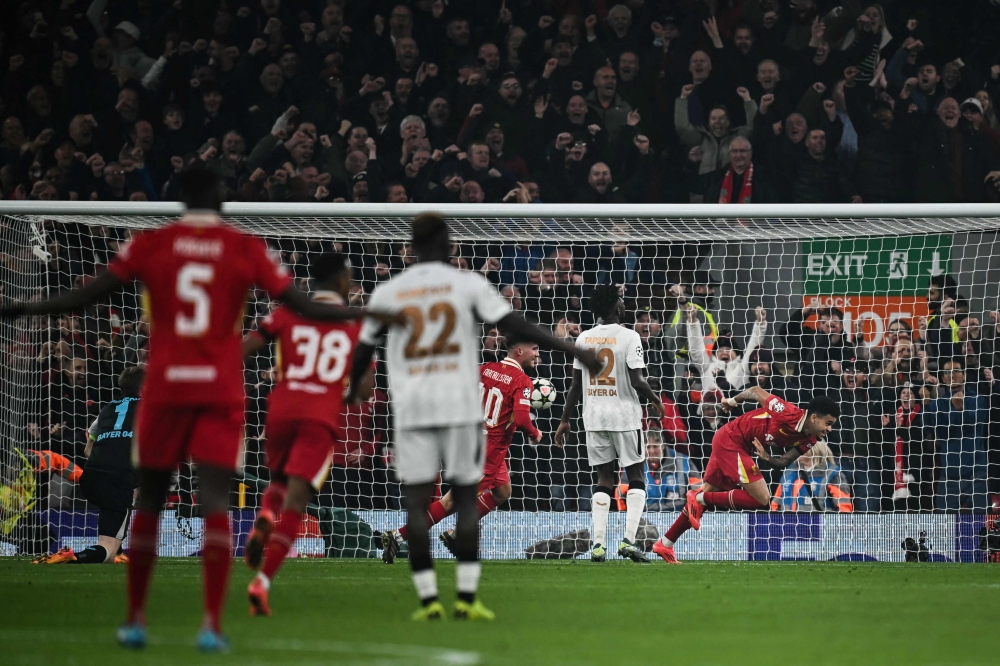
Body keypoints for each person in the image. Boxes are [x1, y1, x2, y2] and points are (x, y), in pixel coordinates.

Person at [0, 167, 375, 652]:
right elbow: (303, 303)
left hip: (165, 387)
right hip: (219, 391)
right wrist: (364, 314)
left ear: (180, 198)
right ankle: (211, 625)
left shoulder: (152, 243)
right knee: (215, 503)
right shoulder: (245, 249)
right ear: (220, 197)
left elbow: (91, 293)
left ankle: (136, 619)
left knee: (151, 500)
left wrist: (27, 309)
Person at [347, 213, 599, 621]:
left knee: (455, 494)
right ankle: (460, 593)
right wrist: (572, 353)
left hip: (413, 404)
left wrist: (351, 388)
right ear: (450, 248)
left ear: (410, 246)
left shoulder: (391, 290)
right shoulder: (467, 285)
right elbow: (515, 325)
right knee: (459, 499)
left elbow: (365, 345)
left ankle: (427, 600)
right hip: (465, 419)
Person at [240, 253, 372, 616]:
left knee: (279, 480)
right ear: (342, 281)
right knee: (297, 501)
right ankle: (262, 582)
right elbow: (363, 391)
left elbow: (246, 349)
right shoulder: (355, 325)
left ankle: (266, 514)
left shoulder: (286, 312)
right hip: (320, 414)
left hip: (281, 407)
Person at [380, 328, 543, 561]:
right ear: (519, 351)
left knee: (502, 491)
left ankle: (455, 535)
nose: (538, 354)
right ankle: (397, 536)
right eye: (534, 349)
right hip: (487, 451)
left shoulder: (485, 369)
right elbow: (521, 418)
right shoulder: (522, 380)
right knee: (451, 502)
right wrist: (535, 433)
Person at [652, 387, 839, 564]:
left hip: (738, 446)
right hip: (731, 440)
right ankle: (698, 497)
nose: (829, 430)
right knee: (762, 498)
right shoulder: (787, 412)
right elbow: (756, 391)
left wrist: (767, 457)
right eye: (828, 423)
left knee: (700, 506)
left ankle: (665, 543)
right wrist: (733, 401)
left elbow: (783, 462)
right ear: (814, 418)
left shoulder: (811, 439)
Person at [554, 284, 665, 563]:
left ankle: (599, 545)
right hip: (625, 416)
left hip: (594, 417)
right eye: (622, 301)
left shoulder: (584, 339)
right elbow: (638, 380)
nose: (625, 305)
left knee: (604, 478)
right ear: (617, 308)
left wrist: (565, 419)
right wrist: (655, 399)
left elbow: (575, 386)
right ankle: (628, 541)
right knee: (636, 476)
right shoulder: (630, 336)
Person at [34, 367, 144, 565]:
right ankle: (74, 556)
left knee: (116, 501)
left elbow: (87, 451)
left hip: (90, 477)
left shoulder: (108, 408)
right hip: (117, 481)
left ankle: (116, 550)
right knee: (106, 549)